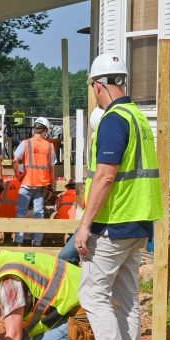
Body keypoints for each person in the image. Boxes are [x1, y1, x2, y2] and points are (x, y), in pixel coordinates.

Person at [76, 53, 163, 340]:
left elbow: (106, 175)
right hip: (140, 221)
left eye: (94, 89)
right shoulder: (138, 116)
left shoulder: (113, 119)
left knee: (92, 293)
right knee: (126, 299)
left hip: (115, 222)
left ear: (99, 86)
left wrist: (85, 226)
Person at [58, 107, 105, 266]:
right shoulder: (99, 145)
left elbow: (104, 181)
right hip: (92, 218)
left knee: (67, 256)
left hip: (98, 219)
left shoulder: (106, 145)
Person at [13, 117, 56, 247]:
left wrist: (18, 175)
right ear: (45, 131)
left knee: (21, 212)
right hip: (41, 185)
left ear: (35, 128)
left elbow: (15, 160)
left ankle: (18, 241)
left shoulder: (25, 143)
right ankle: (37, 242)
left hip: (26, 182)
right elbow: (52, 166)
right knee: (39, 213)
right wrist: (52, 183)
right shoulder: (49, 146)